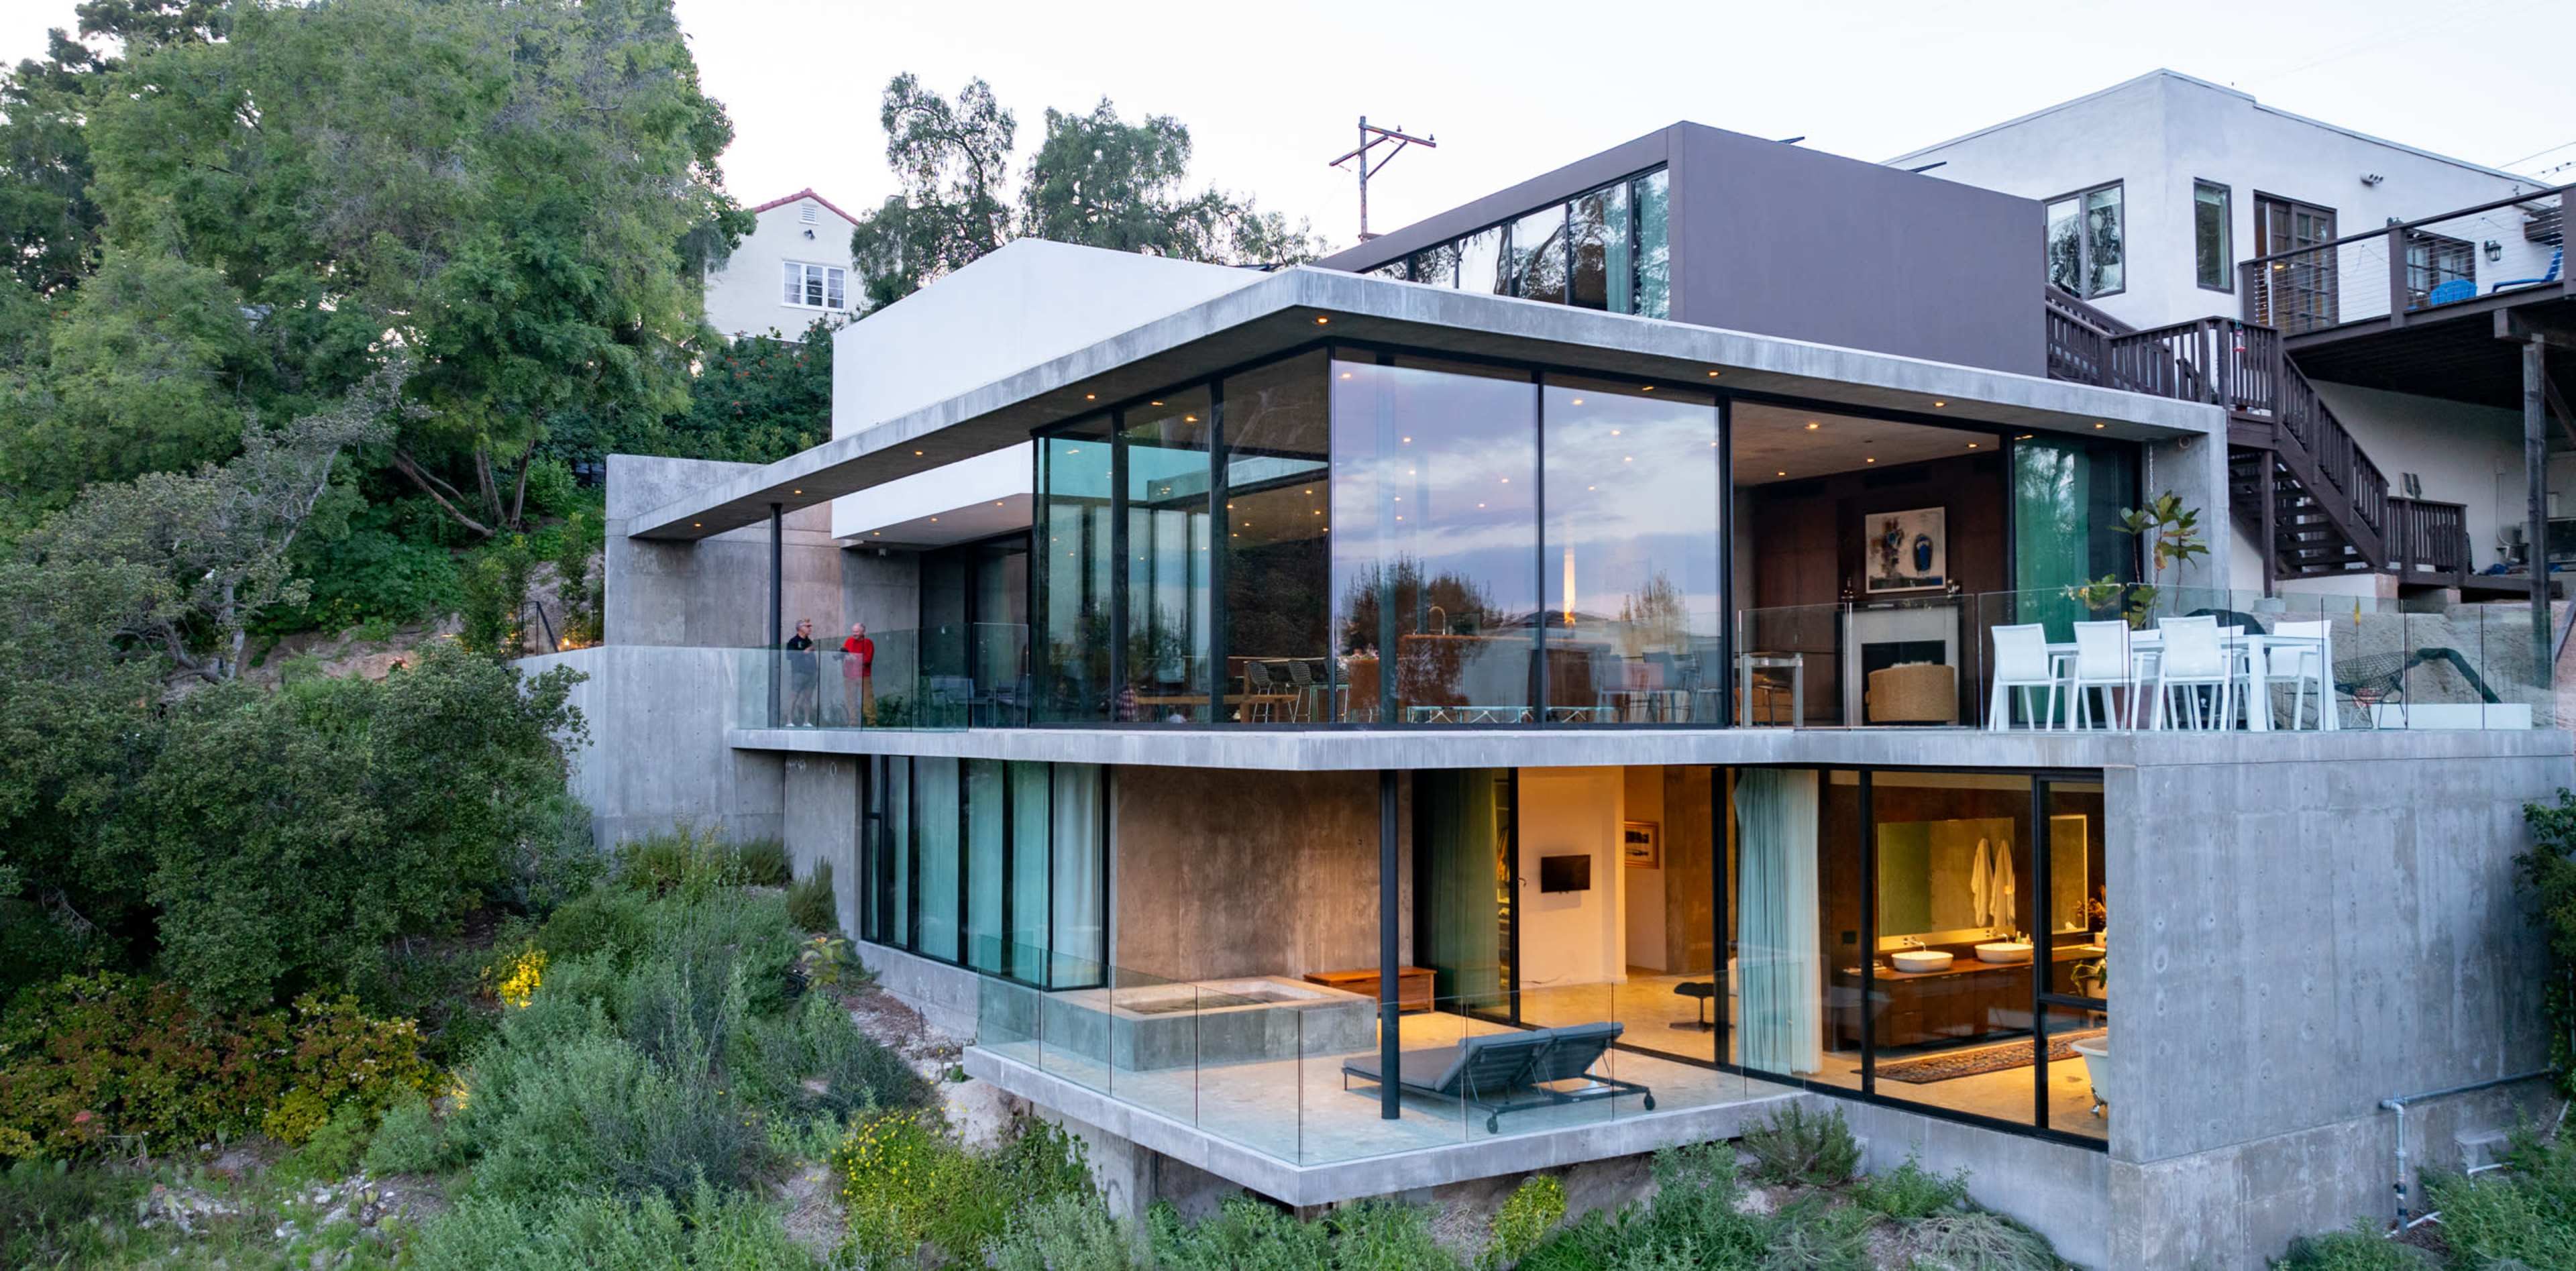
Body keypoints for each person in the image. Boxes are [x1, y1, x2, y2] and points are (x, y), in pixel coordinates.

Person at [784, 618, 818, 726]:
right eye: (807, 626)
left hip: (811, 673)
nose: (810, 628)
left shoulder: (809, 641)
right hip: (799, 673)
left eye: (810, 626)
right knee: (794, 696)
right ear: (800, 628)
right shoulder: (793, 641)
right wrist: (804, 652)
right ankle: (789, 721)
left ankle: (807, 721)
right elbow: (789, 656)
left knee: (808, 697)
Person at [841, 621, 876, 725]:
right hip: (849, 675)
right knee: (850, 700)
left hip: (863, 676)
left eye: (856, 632)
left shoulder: (868, 643)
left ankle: (872, 722)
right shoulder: (848, 641)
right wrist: (843, 655)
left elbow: (868, 660)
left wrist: (853, 658)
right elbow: (844, 655)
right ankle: (853, 722)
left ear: (863, 632)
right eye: (853, 631)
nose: (854, 634)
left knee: (867, 699)